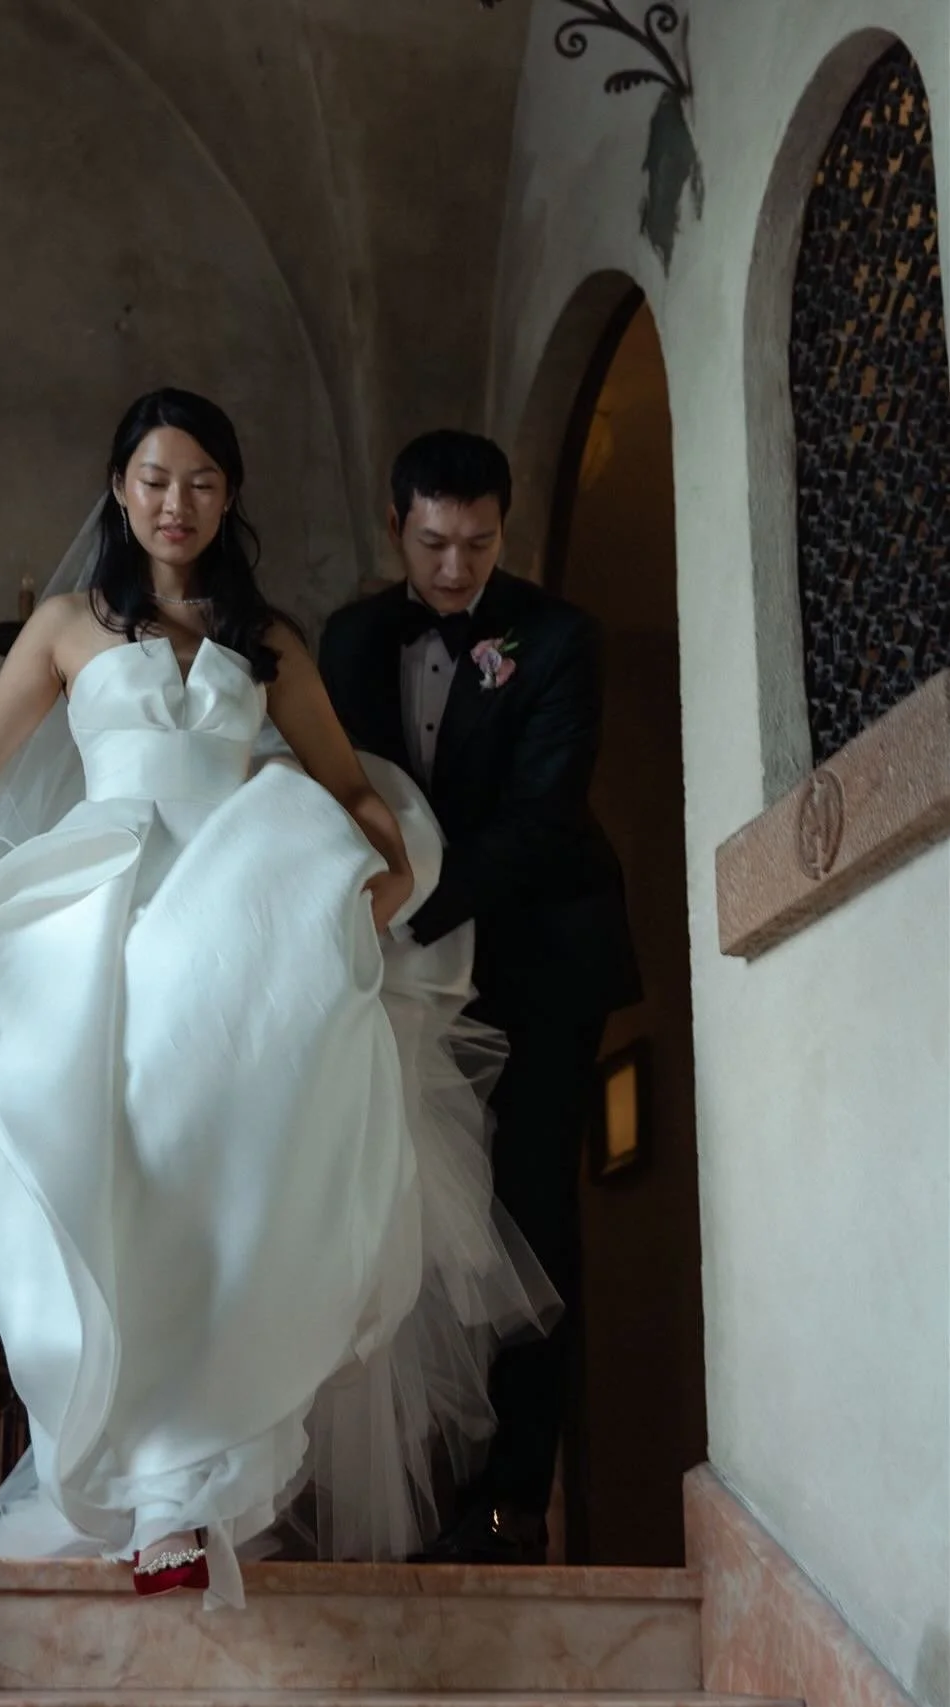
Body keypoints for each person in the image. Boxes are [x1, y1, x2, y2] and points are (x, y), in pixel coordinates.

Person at [0, 389, 554, 1607]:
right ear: (120, 489)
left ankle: (183, 1498)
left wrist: (385, 883)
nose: (172, 502)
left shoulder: (271, 641)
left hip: (236, 927)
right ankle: (139, 1477)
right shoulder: (68, 627)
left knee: (225, 1182)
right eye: (150, 478)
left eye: (196, 480)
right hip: (112, 917)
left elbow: (349, 789)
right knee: (92, 1163)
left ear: (226, 493)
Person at [319, 429, 641, 1565]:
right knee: (406, 1213)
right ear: (394, 525)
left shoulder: (558, 640)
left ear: (504, 528)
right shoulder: (351, 638)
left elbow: (544, 818)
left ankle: (512, 1501)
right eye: (433, 542)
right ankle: (411, 1480)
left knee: (528, 1217)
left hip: (539, 958)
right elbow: (333, 789)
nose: (455, 568)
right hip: (401, 976)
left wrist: (409, 905)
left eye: (479, 543)